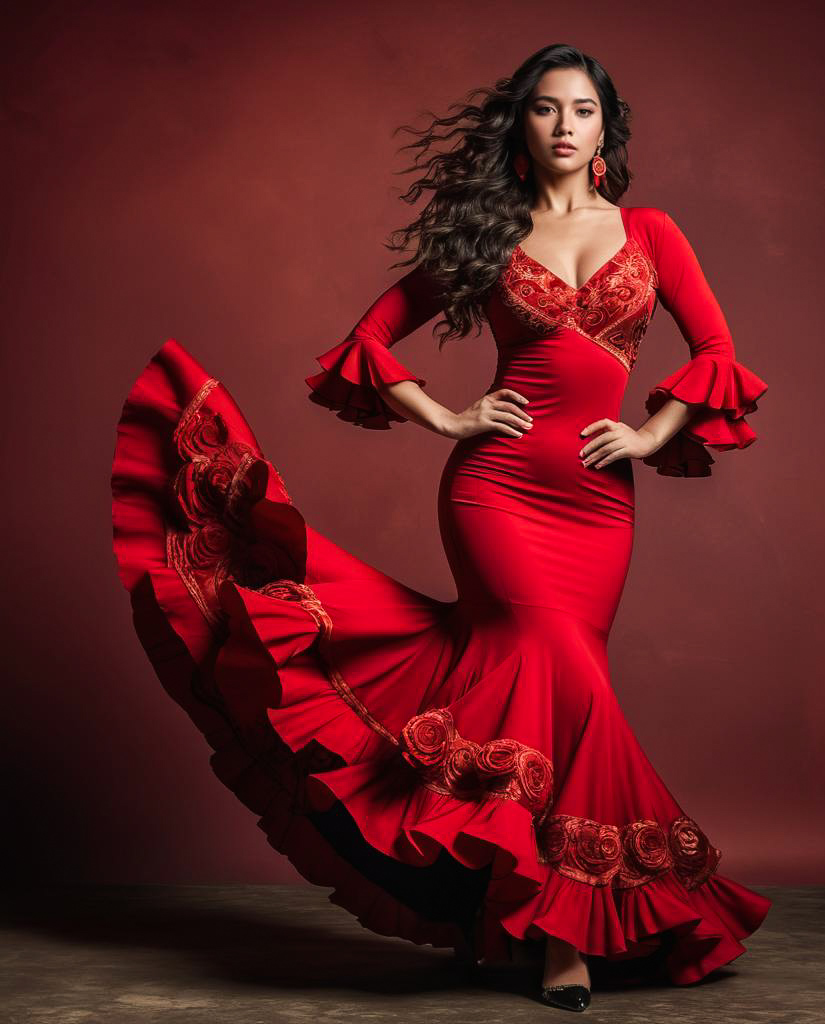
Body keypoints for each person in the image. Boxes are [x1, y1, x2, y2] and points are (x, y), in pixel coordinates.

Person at [111, 43, 770, 1013]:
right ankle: (558, 938)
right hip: (495, 491)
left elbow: (715, 350)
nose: (562, 126)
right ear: (522, 128)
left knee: (552, 688)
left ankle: (500, 913)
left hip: (595, 505)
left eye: (580, 111)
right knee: (553, 668)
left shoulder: (653, 231)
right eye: (545, 110)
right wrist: (450, 415)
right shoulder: (489, 234)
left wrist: (646, 433)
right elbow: (370, 339)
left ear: (604, 131)